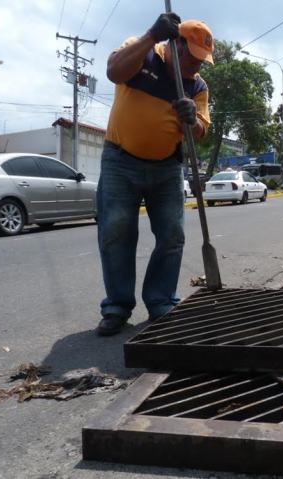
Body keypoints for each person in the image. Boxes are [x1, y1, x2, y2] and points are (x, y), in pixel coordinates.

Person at [95, 13, 214, 336]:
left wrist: (192, 118)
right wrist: (151, 35)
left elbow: (202, 129)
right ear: (175, 43)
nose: (196, 66)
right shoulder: (141, 51)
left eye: (202, 60)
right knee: (117, 230)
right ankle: (118, 305)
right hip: (121, 161)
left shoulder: (198, 85)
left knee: (173, 234)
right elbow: (113, 71)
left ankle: (161, 300)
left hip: (166, 166)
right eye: (192, 57)